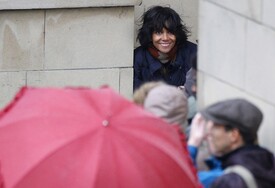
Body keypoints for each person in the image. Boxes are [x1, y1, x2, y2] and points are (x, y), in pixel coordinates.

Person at [190, 98, 275, 188]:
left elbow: (183, 182)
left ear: (234, 135)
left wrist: (193, 144)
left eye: (214, 127)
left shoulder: (229, 181)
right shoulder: (267, 158)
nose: (208, 134)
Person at [134, 6, 197, 91]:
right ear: (150, 35)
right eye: (159, 32)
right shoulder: (138, 58)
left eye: (170, 32)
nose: (165, 38)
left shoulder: (193, 53)